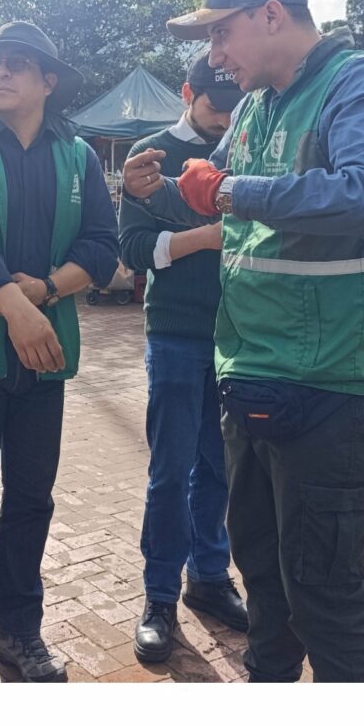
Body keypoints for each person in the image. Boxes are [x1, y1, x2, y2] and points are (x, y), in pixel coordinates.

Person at [123, 0, 364, 684]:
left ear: (272, 15)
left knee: (326, 595)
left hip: (331, 386)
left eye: (221, 34)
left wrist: (228, 190)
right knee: (265, 586)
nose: (215, 55)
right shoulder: (254, 106)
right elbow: (211, 196)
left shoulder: (360, 82)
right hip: (250, 376)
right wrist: (154, 192)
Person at [0, 20, 122, 684]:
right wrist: (18, 311)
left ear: (48, 82)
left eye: (16, 63)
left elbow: (102, 245)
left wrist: (47, 291)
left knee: (33, 498)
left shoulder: (78, 157)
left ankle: (19, 631)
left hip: (44, 358)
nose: (0, 72)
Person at [118, 56, 255, 669]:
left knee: (220, 467)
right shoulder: (151, 156)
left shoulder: (247, 150)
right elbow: (131, 248)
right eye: (214, 105)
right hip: (175, 332)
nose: (223, 118)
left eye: (233, 106)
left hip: (236, 334)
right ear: (187, 93)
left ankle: (210, 576)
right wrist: (205, 238)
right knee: (170, 470)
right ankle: (159, 596)